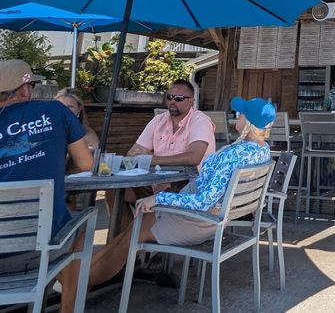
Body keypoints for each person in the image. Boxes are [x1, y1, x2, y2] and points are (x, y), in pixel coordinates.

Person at [73, 96, 274, 296]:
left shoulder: (235, 154)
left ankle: (77, 286)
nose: (235, 118)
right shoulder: (262, 151)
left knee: (129, 238)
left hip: (198, 219)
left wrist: (159, 199)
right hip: (209, 217)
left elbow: (203, 201)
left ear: (248, 123)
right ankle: (83, 278)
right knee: (131, 232)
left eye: (239, 115)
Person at [0, 60, 93, 313]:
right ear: (24, 90)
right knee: (83, 226)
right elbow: (85, 163)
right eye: (31, 84)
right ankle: (67, 309)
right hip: (39, 250)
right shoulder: (56, 111)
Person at [128, 79, 216, 168]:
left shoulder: (200, 120)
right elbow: (133, 153)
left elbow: (193, 158)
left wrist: (152, 159)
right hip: (158, 178)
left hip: (192, 180)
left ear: (191, 101)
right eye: (169, 97)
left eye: (178, 98)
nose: (172, 101)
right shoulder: (158, 120)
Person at [56, 88, 99, 172]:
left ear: (79, 109)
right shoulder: (45, 131)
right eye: (60, 106)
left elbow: (94, 162)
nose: (65, 111)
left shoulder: (86, 133)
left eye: (70, 107)